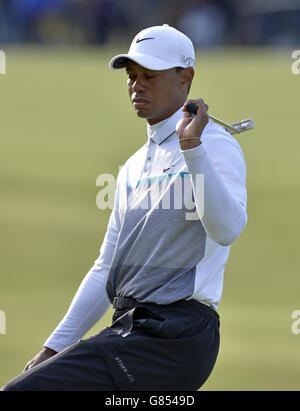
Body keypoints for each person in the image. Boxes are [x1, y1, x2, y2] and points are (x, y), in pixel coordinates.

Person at [1, 24, 247, 391]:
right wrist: (54, 348)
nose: (137, 85)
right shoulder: (133, 166)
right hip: (132, 328)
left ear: (186, 79)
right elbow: (106, 268)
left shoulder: (214, 145)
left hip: (176, 336)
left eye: (150, 75)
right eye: (132, 76)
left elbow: (228, 229)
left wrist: (191, 148)